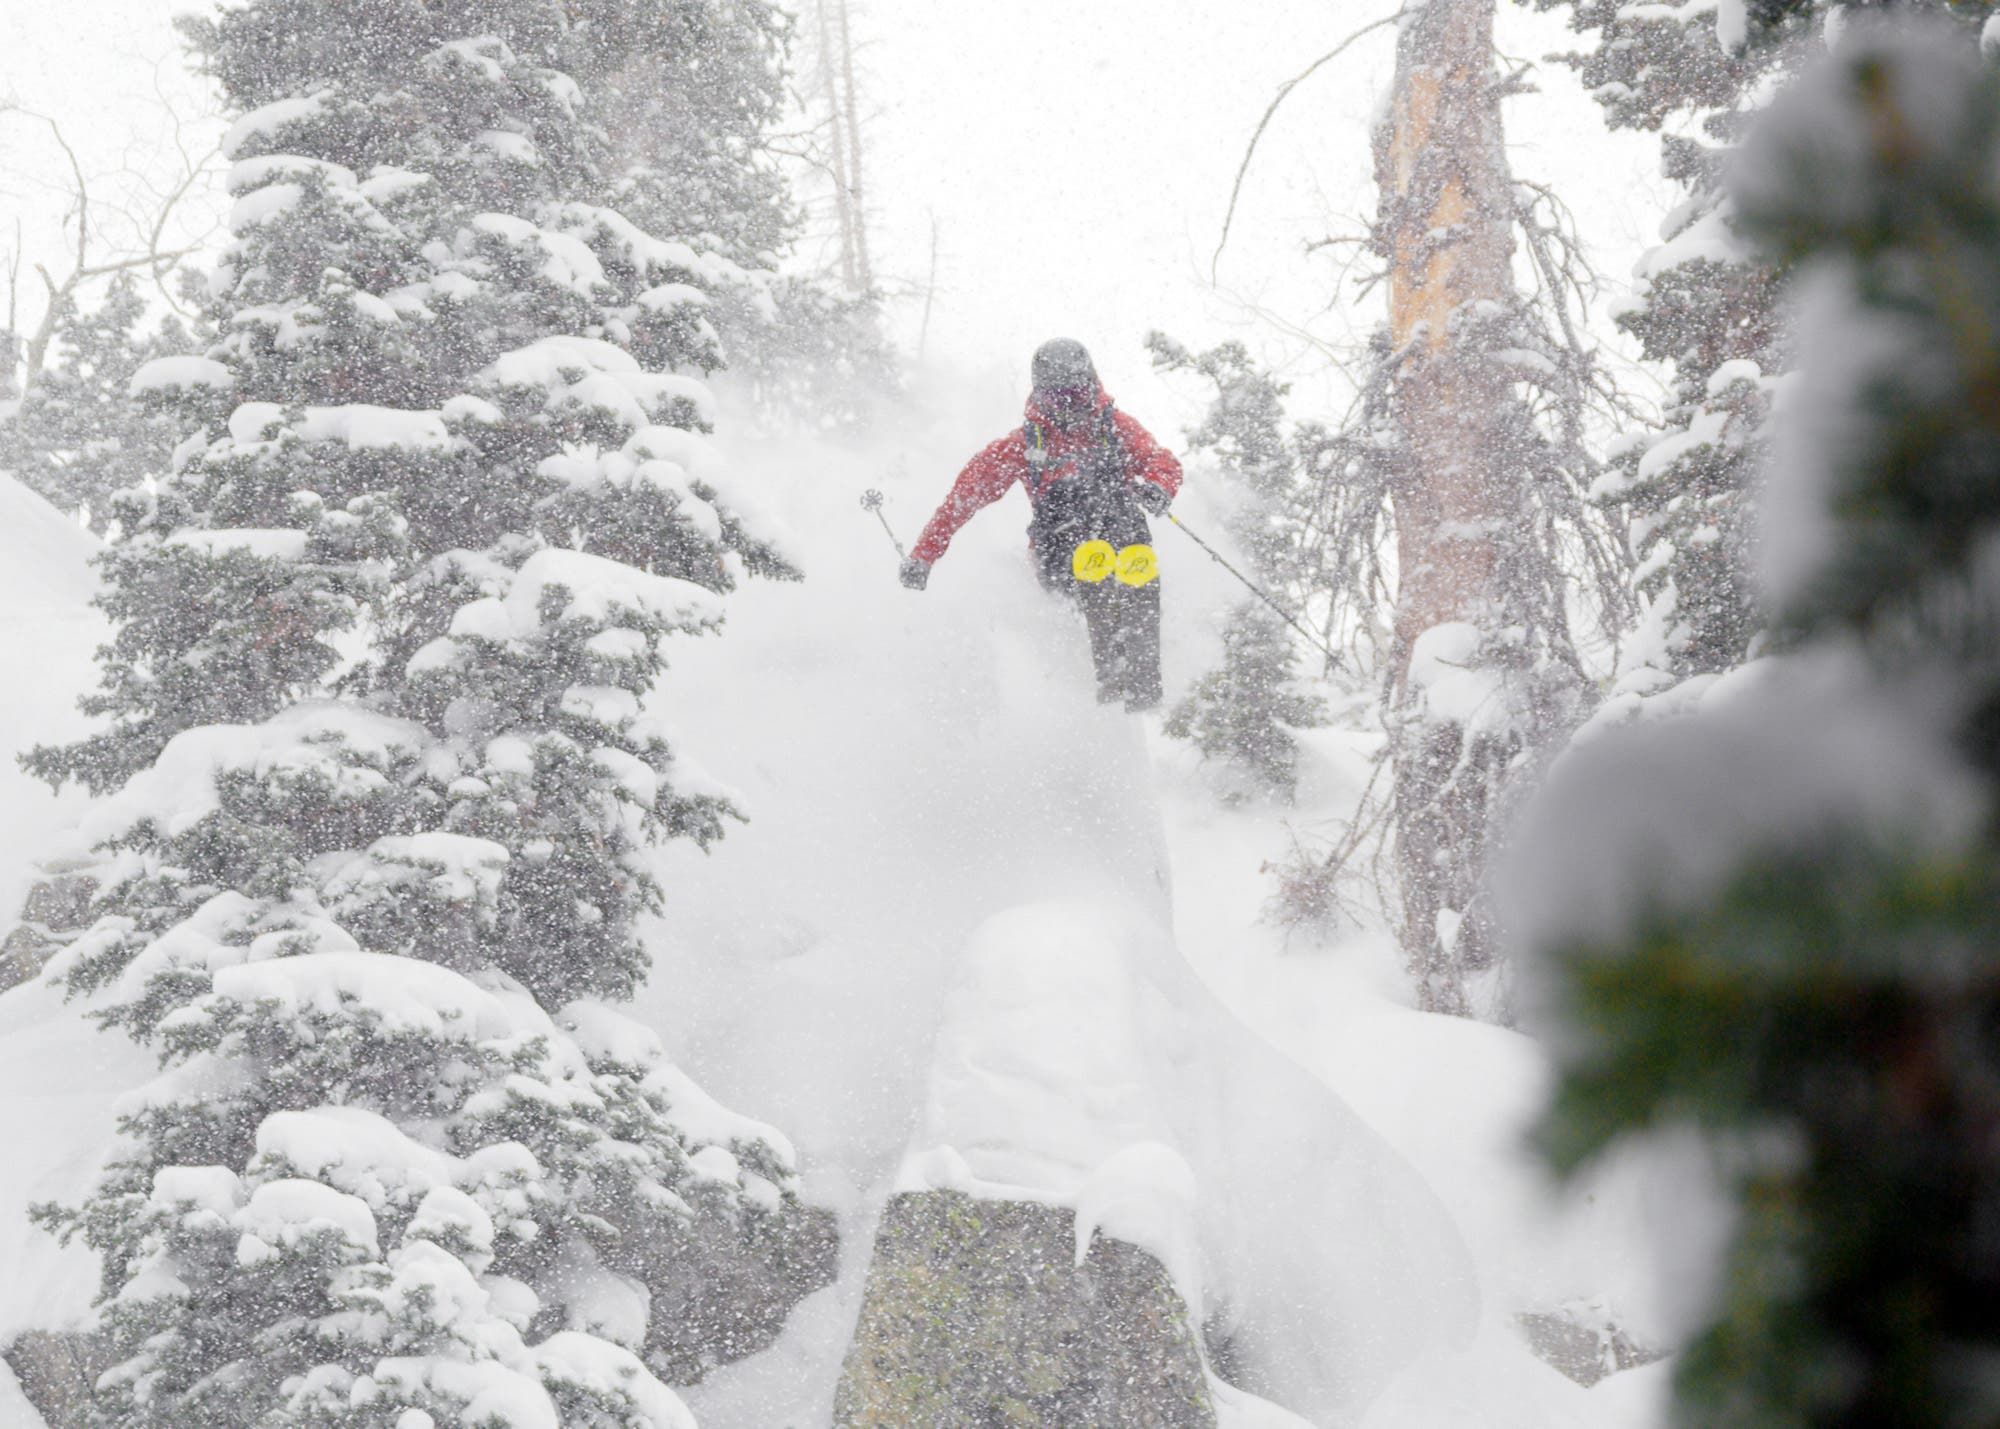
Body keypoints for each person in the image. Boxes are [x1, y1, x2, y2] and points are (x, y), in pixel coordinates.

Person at [899, 338, 1183, 710]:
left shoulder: (1114, 427)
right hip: (1060, 552)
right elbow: (962, 499)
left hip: (1119, 537)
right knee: (1078, 525)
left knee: (1118, 516)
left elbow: (1161, 460)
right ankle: (1110, 662)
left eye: (1076, 394)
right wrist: (923, 555)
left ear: (1090, 385)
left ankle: (1138, 665)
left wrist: (1159, 487)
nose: (1069, 405)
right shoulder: (1025, 444)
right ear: (1041, 395)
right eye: (1057, 397)